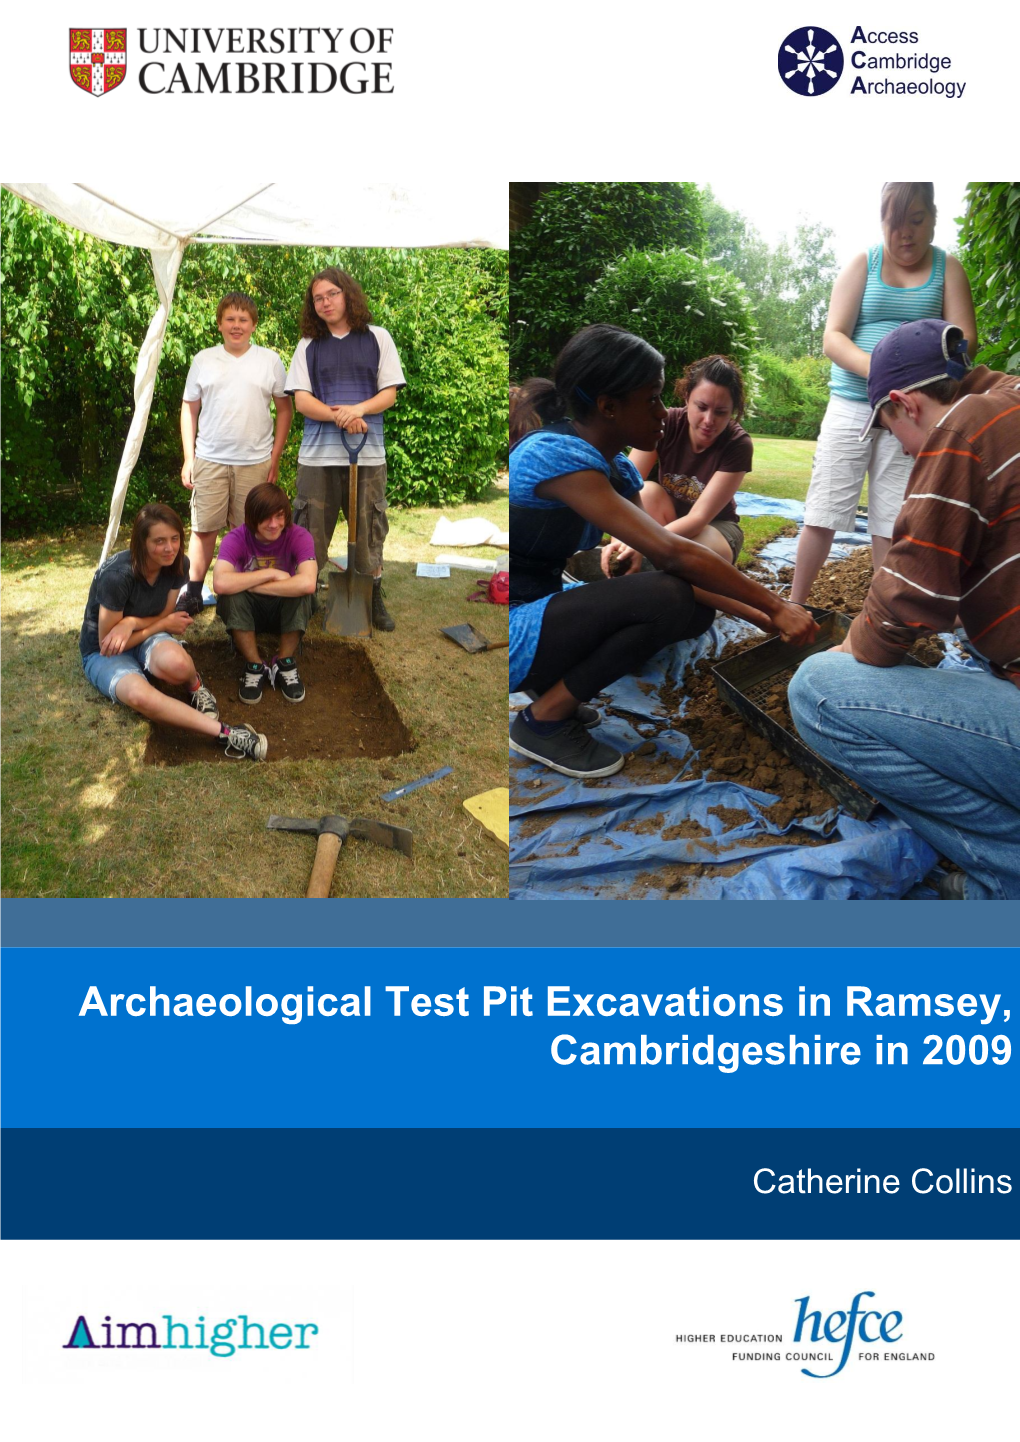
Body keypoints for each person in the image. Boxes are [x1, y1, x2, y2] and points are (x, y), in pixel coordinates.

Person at [510, 325, 818, 779]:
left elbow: (670, 563)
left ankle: (550, 691)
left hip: (541, 606)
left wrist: (770, 620)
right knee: (670, 598)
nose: (664, 411)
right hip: (516, 624)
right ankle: (544, 719)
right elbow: (673, 552)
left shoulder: (615, 466)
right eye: (652, 398)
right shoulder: (554, 456)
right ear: (609, 407)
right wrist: (774, 606)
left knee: (692, 611)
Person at [788, 320, 1020, 900]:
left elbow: (904, 606)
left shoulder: (963, 426)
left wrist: (847, 652)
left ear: (904, 404)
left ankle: (1006, 865)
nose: (903, 449)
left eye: (892, 433)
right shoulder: (1008, 400)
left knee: (816, 691)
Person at [790, 183, 977, 604]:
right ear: (882, 222)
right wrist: (883, 371)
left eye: (916, 221)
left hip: (908, 415)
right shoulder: (864, 264)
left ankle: (881, 617)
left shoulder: (948, 269)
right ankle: (793, 606)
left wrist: (910, 379)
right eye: (895, 224)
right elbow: (833, 337)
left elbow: (966, 340)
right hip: (851, 404)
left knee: (892, 520)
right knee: (823, 511)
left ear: (933, 216)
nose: (905, 234)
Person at [79, 504, 267, 760]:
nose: (169, 548)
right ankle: (228, 734)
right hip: (104, 652)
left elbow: (165, 613)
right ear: (141, 542)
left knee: (178, 664)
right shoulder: (117, 576)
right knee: (139, 695)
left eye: (175, 538)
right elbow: (110, 644)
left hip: (143, 633)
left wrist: (132, 622)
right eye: (159, 541)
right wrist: (150, 625)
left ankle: (195, 686)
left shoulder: (179, 563)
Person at [286, 267, 406, 632]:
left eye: (331, 294)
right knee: (309, 532)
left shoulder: (377, 337)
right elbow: (303, 402)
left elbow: (390, 393)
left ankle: (371, 596)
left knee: (370, 528)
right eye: (318, 298)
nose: (325, 302)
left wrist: (359, 410)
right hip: (317, 458)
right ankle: (304, 598)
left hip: (367, 455)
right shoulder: (308, 345)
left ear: (347, 294)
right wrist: (342, 417)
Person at [180, 291, 293, 591]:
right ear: (219, 324)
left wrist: (276, 455)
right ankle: (192, 592)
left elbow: (285, 409)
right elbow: (189, 407)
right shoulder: (204, 359)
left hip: (255, 462)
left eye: (243, 319)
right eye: (230, 318)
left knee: (249, 530)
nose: (236, 325)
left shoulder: (269, 361)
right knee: (204, 529)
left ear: (254, 324)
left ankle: (244, 590)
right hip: (209, 459)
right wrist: (189, 458)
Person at [601, 354, 752, 572]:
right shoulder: (666, 424)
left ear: (733, 411)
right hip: (668, 518)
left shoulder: (738, 444)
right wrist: (620, 540)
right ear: (686, 397)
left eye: (721, 412)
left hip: (714, 528)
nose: (709, 421)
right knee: (646, 492)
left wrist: (646, 543)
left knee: (687, 558)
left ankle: (738, 601)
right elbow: (624, 487)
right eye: (701, 407)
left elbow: (699, 518)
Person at [213, 483, 319, 705]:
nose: (274, 525)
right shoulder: (236, 538)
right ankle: (255, 665)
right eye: (266, 518)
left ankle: (284, 662)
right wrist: (271, 573)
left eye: (279, 517)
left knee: (302, 593)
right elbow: (221, 583)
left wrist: (251, 584)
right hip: (248, 612)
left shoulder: (299, 536)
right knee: (231, 596)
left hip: (284, 609)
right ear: (252, 518)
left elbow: (308, 583)